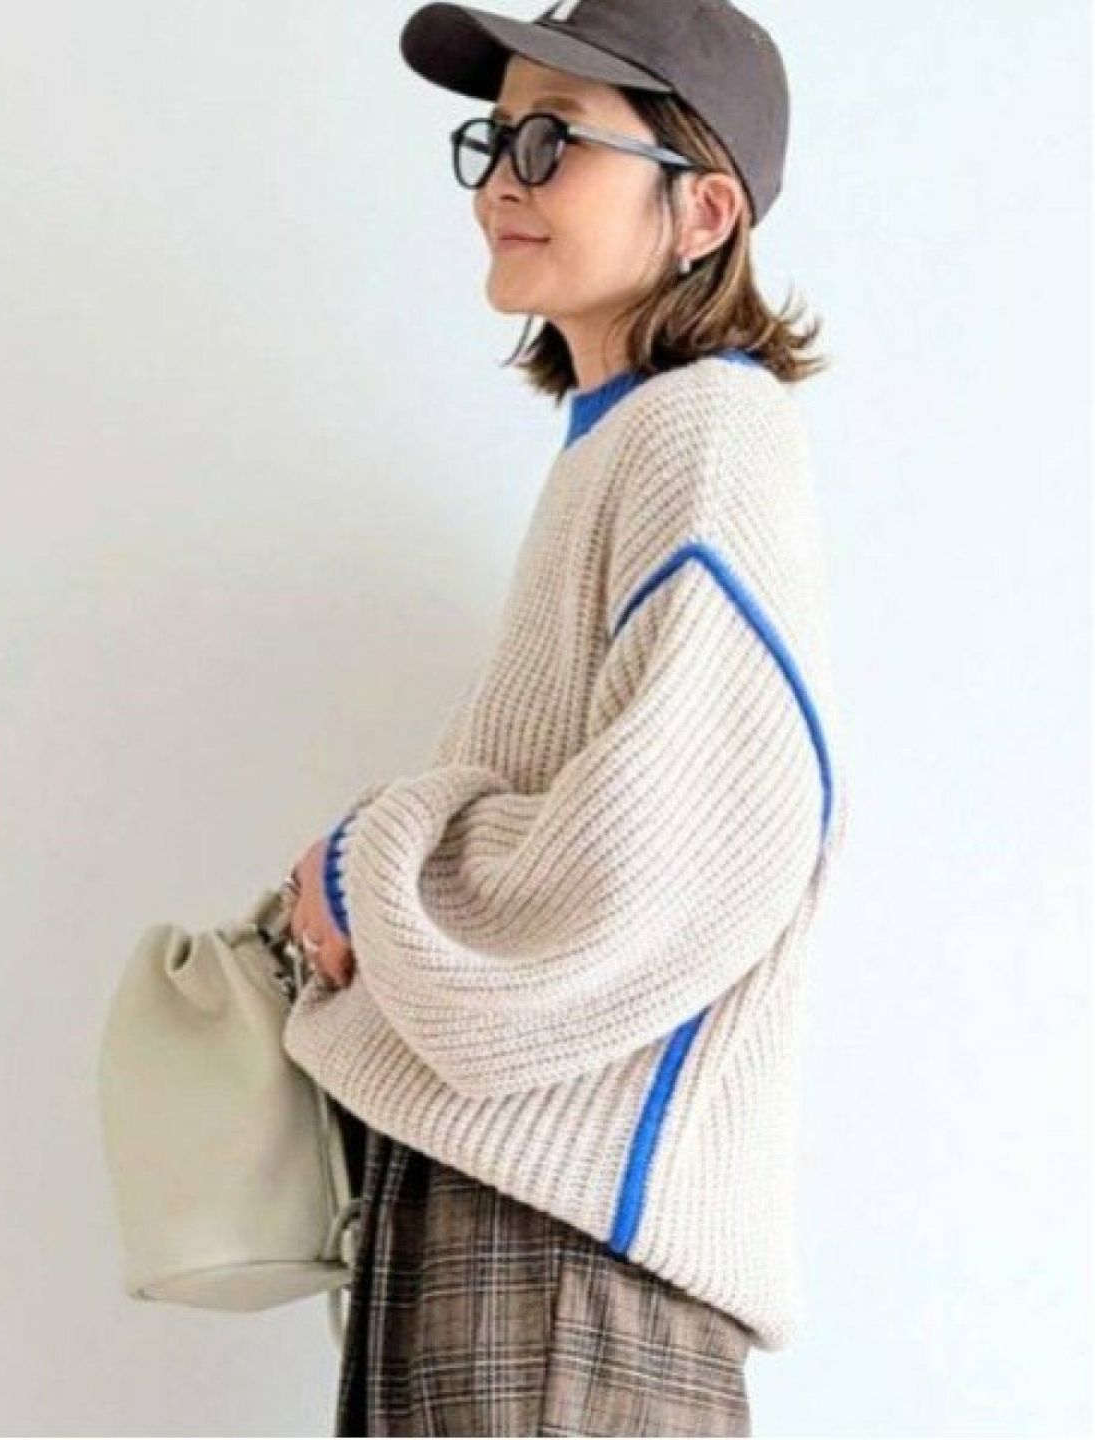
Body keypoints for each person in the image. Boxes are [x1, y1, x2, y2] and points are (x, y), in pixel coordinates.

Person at [280, 0, 851, 1433]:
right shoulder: (623, 442)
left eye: (555, 141)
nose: (501, 180)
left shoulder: (706, 436)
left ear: (703, 209)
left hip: (564, 1261)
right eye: (493, 140)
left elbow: (672, 852)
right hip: (515, 1221)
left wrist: (366, 868)